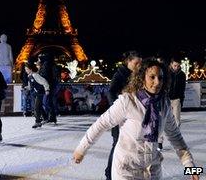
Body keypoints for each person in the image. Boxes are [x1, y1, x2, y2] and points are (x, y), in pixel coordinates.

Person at [73, 58, 199, 180]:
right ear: (142, 77)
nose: (157, 82)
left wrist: (190, 166)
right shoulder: (128, 101)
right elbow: (101, 124)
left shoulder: (164, 103)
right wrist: (81, 149)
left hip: (152, 171)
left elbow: (175, 136)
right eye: (152, 77)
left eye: (160, 78)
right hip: (126, 170)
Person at [105, 50, 142, 179]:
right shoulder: (120, 74)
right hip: (120, 117)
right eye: (136, 63)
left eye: (140, 63)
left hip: (133, 118)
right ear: (128, 61)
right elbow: (110, 92)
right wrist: (118, 109)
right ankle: (109, 173)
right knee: (117, 144)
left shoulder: (137, 75)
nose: (139, 66)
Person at [24, 62, 50, 128]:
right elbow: (31, 86)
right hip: (34, 93)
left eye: (27, 69)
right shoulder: (29, 76)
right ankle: (45, 117)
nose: (26, 71)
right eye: (25, 69)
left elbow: (44, 81)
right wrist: (27, 87)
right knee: (39, 106)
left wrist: (47, 89)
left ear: (31, 69)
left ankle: (38, 121)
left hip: (39, 93)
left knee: (36, 107)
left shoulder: (35, 75)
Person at [37, 53, 59, 124]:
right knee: (49, 101)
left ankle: (51, 117)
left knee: (46, 102)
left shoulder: (46, 64)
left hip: (48, 86)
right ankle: (52, 117)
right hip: (51, 85)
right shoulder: (50, 64)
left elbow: (44, 75)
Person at [168, 56, 187, 127]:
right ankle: (162, 136)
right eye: (175, 65)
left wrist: (181, 100)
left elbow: (182, 88)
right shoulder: (166, 73)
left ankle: (176, 135)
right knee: (164, 119)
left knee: (177, 120)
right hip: (167, 99)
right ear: (171, 64)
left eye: (178, 66)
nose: (176, 67)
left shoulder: (182, 75)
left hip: (176, 99)